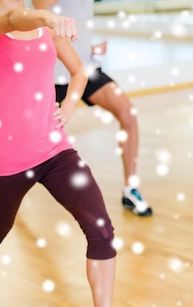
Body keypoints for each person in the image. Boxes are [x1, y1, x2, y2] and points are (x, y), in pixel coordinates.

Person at [0, 0, 137, 307]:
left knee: (100, 228)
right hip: (6, 160)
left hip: (54, 151)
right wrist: (47, 16)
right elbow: (12, 20)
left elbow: (79, 72)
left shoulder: (44, 26)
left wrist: (70, 104)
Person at [33, 0, 152, 217]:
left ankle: (130, 190)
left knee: (127, 113)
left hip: (85, 69)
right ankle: (13, 193)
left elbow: (76, 17)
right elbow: (40, 6)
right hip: (52, 73)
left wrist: (88, 48)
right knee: (33, 141)